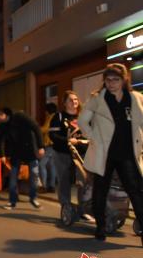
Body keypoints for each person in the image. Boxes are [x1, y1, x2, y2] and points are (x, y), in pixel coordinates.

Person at [78, 63, 143, 243]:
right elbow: (82, 121)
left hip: (128, 153)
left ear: (124, 80)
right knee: (101, 190)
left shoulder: (135, 98)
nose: (112, 83)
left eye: (116, 79)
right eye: (108, 80)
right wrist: (93, 137)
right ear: (104, 81)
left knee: (135, 192)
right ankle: (100, 227)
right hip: (104, 153)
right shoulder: (98, 99)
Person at [49, 91, 93, 222]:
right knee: (64, 181)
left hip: (81, 154)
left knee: (84, 181)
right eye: (70, 100)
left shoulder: (83, 117)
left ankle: (82, 210)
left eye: (75, 99)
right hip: (63, 153)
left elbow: (90, 133)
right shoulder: (59, 117)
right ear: (64, 103)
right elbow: (53, 136)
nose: (74, 102)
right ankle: (66, 208)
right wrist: (67, 141)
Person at [0, 107, 45, 210]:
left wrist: (40, 146)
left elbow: (36, 127)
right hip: (15, 153)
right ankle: (12, 201)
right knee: (13, 177)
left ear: (1, 115)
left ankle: (33, 198)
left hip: (30, 150)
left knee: (34, 175)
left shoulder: (20, 116)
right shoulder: (2, 126)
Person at [39, 102, 58, 193]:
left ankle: (44, 186)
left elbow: (45, 128)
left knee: (41, 164)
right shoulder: (57, 117)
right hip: (54, 144)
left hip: (50, 144)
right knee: (51, 166)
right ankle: (52, 186)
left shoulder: (51, 117)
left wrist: (37, 129)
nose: (45, 112)